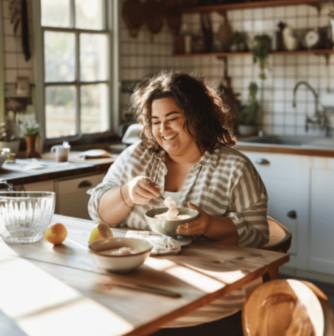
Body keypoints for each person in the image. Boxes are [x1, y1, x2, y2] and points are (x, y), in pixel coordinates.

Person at [88, 71, 269, 336]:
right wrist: (126, 194)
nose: (163, 130)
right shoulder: (136, 156)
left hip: (208, 296)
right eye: (155, 121)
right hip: (132, 291)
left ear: (197, 118)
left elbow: (258, 235)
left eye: (172, 119)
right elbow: (97, 211)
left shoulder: (234, 167)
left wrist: (208, 224)